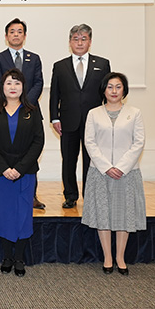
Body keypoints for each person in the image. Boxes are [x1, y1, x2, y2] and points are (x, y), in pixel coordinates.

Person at [0, 68, 44, 277]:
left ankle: (19, 257)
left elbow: (38, 142)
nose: (13, 87)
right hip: (0, 173)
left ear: (23, 87)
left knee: (23, 215)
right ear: (2, 87)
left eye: (17, 83)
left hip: (25, 173)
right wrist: (4, 168)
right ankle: (7, 256)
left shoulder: (32, 112)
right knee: (3, 214)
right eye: (9, 83)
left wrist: (19, 168)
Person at [82, 72, 146, 276]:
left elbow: (139, 142)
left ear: (124, 90)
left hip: (127, 173)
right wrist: (106, 167)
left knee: (123, 214)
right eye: (110, 87)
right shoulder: (94, 114)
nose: (114, 91)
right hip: (100, 172)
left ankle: (120, 257)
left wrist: (121, 167)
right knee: (103, 214)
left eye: (118, 87)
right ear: (104, 90)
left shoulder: (134, 113)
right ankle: (107, 257)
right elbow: (89, 142)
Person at [49, 24, 111, 209]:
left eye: (84, 39)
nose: (79, 43)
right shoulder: (60, 66)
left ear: (90, 42)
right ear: (70, 42)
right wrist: (55, 118)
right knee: (69, 160)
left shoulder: (102, 64)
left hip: (95, 121)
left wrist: (108, 116)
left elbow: (108, 92)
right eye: (75, 39)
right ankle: (70, 196)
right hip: (68, 121)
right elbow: (54, 94)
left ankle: (90, 195)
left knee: (92, 160)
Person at [0, 18, 46, 209]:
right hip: (6, 111)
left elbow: (39, 82)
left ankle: (32, 195)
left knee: (30, 154)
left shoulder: (34, 58)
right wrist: (13, 103)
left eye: (20, 31)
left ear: (25, 35)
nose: (16, 35)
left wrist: (25, 103)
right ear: (6, 36)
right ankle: (7, 191)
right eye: (12, 32)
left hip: (30, 112)